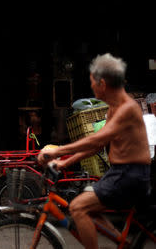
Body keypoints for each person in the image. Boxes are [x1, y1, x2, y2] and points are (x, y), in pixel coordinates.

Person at [38, 53, 151, 249]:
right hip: (119, 173)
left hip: (130, 175)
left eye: (93, 82)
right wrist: (66, 162)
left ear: (103, 83)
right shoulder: (113, 108)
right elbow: (98, 146)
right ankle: (123, 244)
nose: (91, 87)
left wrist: (57, 152)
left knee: (78, 207)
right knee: (88, 206)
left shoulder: (126, 108)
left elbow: (97, 138)